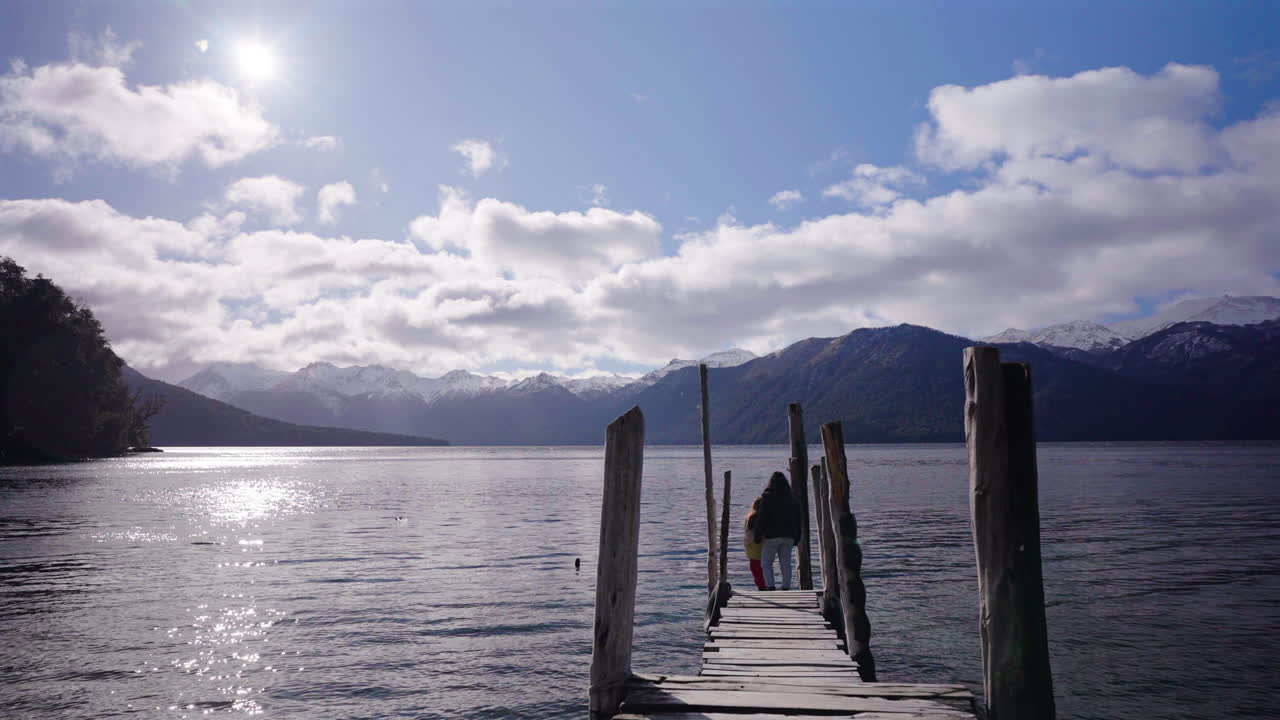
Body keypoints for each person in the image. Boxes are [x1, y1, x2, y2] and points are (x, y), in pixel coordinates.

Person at [753, 471, 801, 590]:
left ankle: (770, 587)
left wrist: (757, 536)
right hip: (788, 536)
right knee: (786, 564)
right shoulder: (793, 499)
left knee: (766, 563)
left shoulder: (767, 497)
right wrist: (797, 537)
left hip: (771, 536)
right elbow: (799, 520)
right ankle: (786, 587)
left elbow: (762, 519)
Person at [743, 497, 766, 590]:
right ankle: (764, 585)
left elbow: (750, 532)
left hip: (753, 545)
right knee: (762, 567)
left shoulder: (752, 517)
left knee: (755, 567)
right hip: (761, 545)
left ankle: (761, 587)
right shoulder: (763, 517)